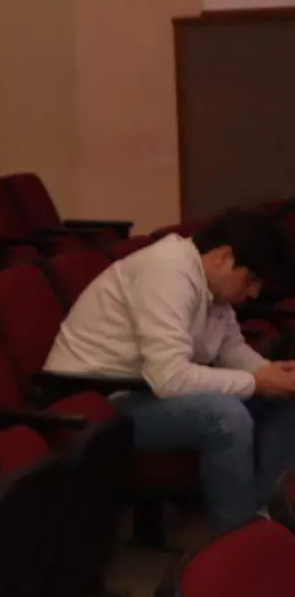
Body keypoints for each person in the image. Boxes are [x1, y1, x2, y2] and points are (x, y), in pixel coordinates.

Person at [45, 209, 295, 530]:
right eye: (251, 280)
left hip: (146, 391)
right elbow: (170, 378)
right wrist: (256, 381)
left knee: (285, 396)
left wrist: (275, 375)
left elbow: (230, 349)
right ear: (223, 257)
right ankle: (236, 540)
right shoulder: (166, 271)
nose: (254, 294)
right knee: (226, 416)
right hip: (99, 404)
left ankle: (269, 519)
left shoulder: (209, 282)